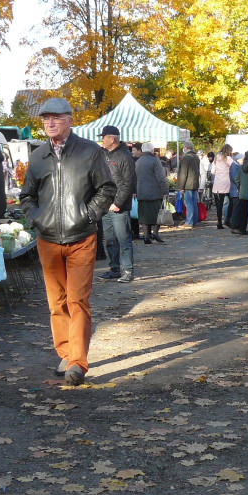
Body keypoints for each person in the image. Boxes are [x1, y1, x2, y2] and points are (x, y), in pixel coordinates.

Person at [20, 98, 116, 386]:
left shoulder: (89, 152)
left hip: (81, 237)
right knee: (56, 302)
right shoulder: (37, 156)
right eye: (45, 118)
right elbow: (27, 196)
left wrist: (89, 215)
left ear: (70, 120)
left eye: (56, 117)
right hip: (47, 239)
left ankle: (77, 362)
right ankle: (65, 352)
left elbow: (107, 187)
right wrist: (35, 218)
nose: (49, 123)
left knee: (77, 300)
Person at [98, 125, 136, 283]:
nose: (101, 140)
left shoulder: (125, 156)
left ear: (112, 139)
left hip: (118, 207)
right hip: (106, 205)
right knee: (110, 240)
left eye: (103, 137)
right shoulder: (105, 155)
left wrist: (118, 203)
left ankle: (127, 270)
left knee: (123, 239)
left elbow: (128, 183)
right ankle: (114, 268)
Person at [136, 139, 168, 245]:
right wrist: (165, 191)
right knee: (157, 214)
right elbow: (161, 178)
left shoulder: (138, 161)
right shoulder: (155, 161)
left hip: (141, 192)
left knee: (144, 215)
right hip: (155, 193)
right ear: (152, 150)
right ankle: (155, 233)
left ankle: (146, 236)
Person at [176, 142, 201, 228]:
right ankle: (194, 221)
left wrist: (181, 186)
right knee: (194, 203)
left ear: (186, 148)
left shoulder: (186, 157)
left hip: (188, 183)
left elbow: (183, 173)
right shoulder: (196, 156)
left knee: (188, 203)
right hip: (195, 182)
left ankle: (189, 222)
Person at [211, 145, 233, 229]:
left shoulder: (216, 158)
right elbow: (234, 167)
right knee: (231, 201)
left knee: (219, 204)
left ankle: (219, 222)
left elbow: (213, 171)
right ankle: (227, 219)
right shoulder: (228, 159)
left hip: (217, 182)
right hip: (226, 181)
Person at [231, 153, 248, 234]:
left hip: (242, 193)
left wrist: (239, 187)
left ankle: (242, 229)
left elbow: (236, 178)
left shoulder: (241, 167)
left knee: (242, 212)